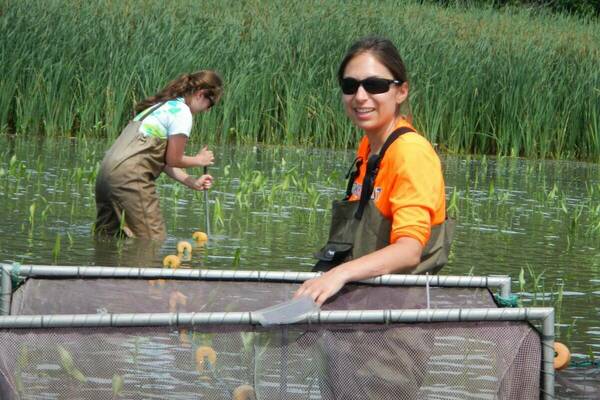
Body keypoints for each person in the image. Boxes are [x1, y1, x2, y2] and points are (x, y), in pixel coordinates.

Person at [295, 37, 454, 306]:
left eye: (374, 85)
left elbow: (408, 251)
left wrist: (339, 274)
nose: (360, 96)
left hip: (394, 328)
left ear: (401, 91)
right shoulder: (368, 147)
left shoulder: (411, 152)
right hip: (358, 312)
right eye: (350, 85)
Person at [94, 70, 222, 240]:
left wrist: (191, 182)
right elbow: (173, 159)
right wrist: (199, 160)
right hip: (130, 178)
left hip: (105, 176)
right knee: (153, 240)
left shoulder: (159, 108)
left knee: (108, 239)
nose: (207, 111)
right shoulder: (182, 113)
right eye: (210, 104)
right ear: (201, 94)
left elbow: (162, 160)